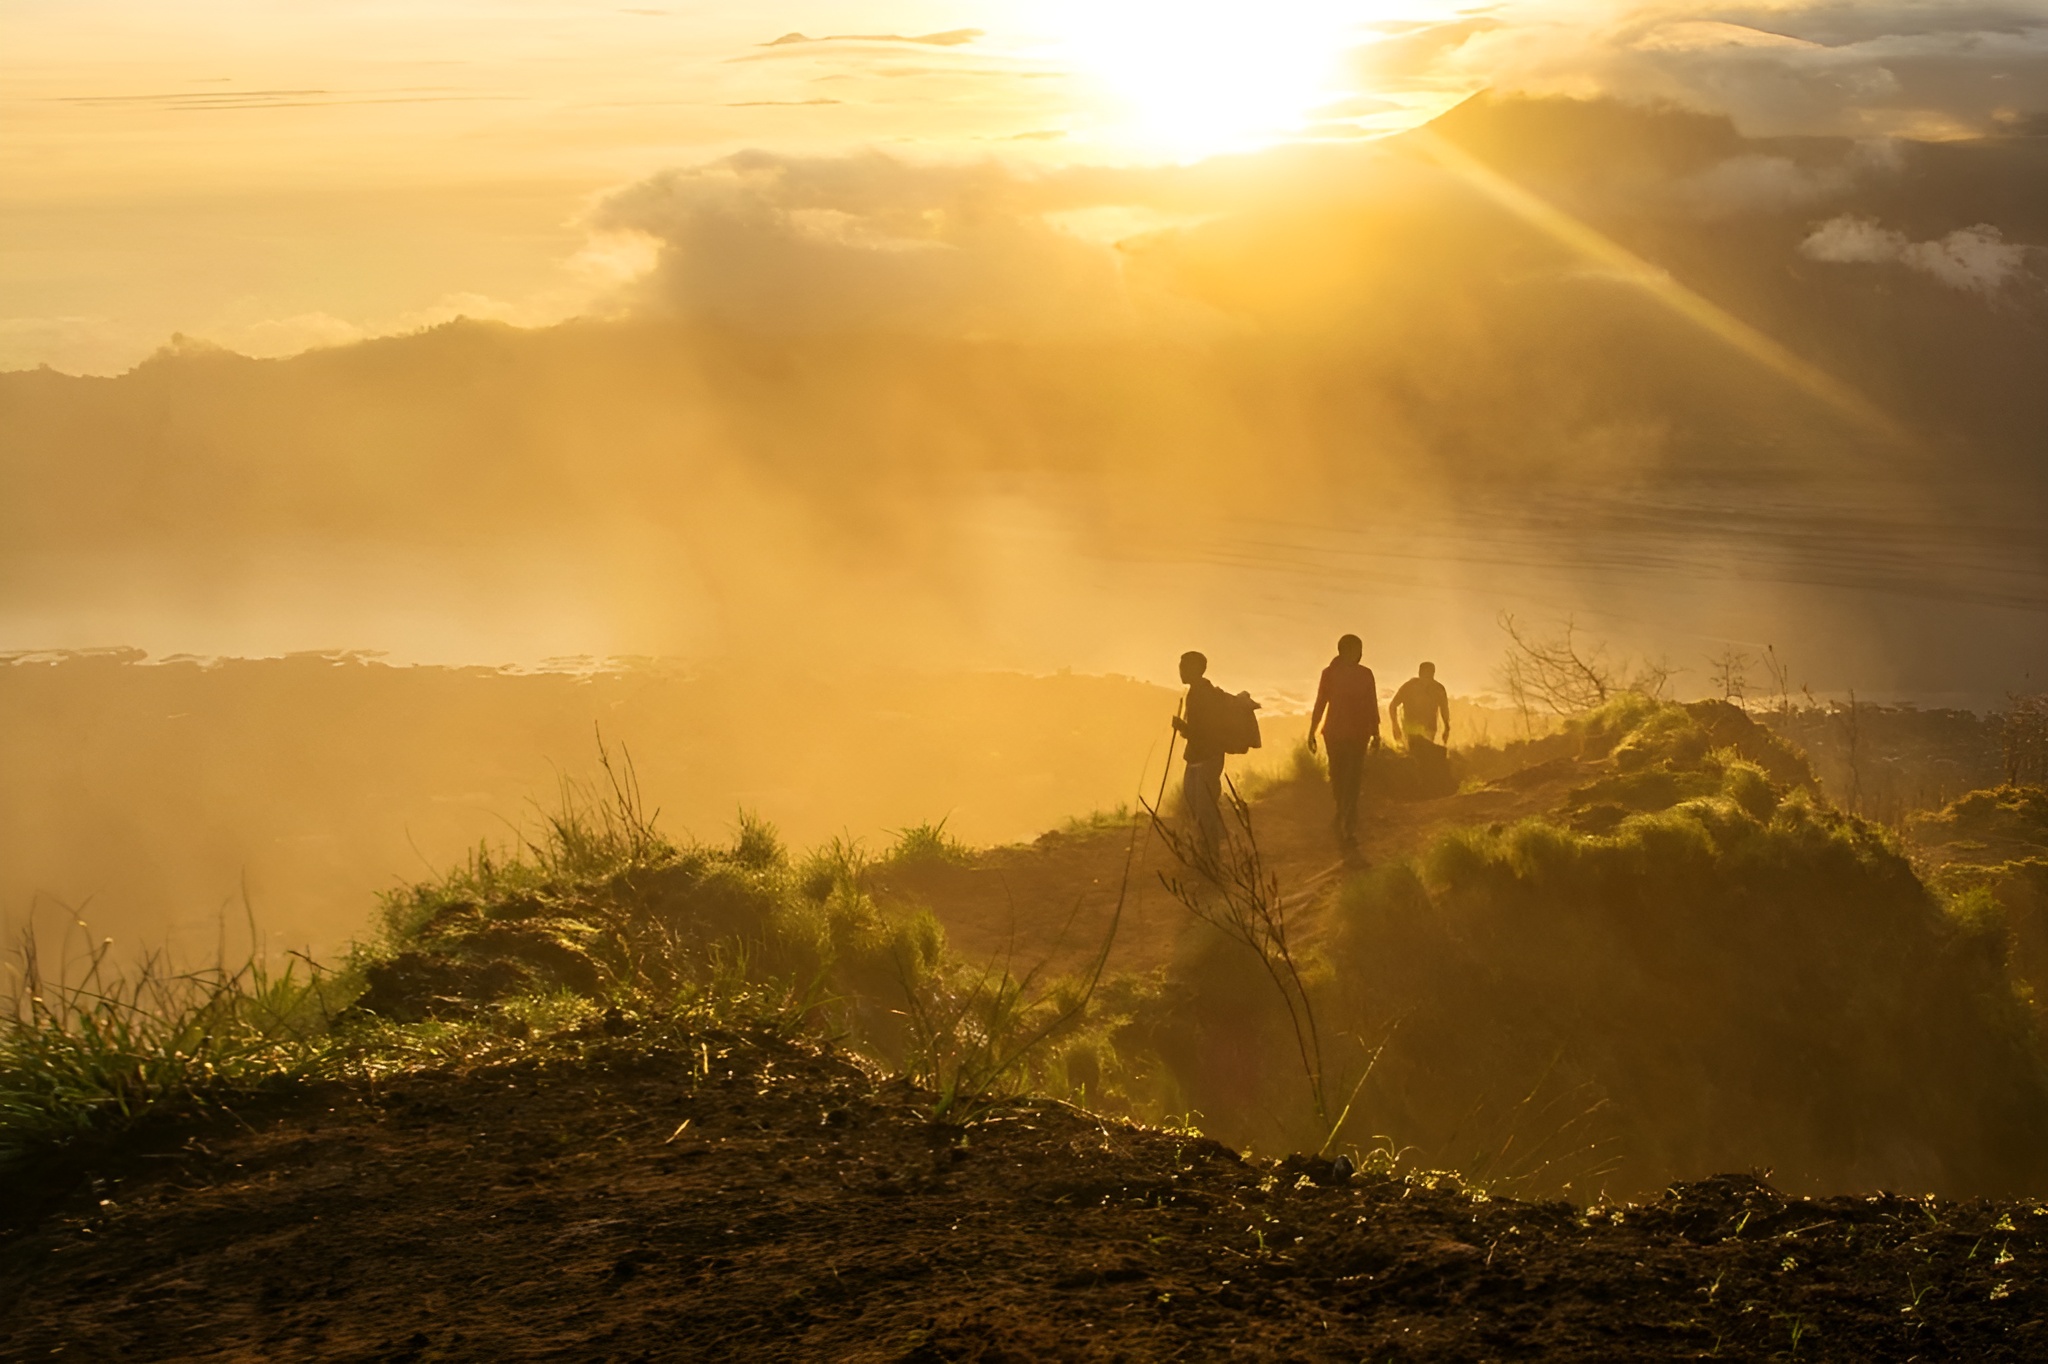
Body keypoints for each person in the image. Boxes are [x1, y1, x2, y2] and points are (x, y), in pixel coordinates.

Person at [1306, 634, 1380, 852]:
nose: (1361, 654)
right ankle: (1346, 820)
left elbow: (1320, 703)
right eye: (1359, 649)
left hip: (1339, 734)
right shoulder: (1361, 674)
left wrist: (1312, 731)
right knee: (1350, 780)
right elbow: (1371, 705)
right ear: (1347, 650)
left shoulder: (1330, 673)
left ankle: (1344, 819)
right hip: (1352, 734)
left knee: (1340, 777)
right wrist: (1376, 733)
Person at [1170, 650, 1229, 860]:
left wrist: (1182, 727)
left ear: (1195, 669)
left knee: (1203, 806)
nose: (1180, 670)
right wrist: (1184, 728)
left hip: (1206, 757)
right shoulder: (1197, 693)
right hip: (1199, 757)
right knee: (1197, 803)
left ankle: (1211, 851)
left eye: (1183, 666)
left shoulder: (1201, 695)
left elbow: (1201, 731)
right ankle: (1210, 846)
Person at [1390, 661, 1452, 757]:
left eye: (1430, 675)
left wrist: (1447, 728)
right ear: (1419, 673)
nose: (1427, 678)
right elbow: (1393, 705)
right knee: (1414, 755)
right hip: (1411, 728)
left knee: (1424, 756)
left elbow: (1444, 709)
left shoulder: (1438, 688)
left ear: (1433, 674)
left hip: (1429, 729)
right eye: (1425, 674)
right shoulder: (1409, 686)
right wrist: (1395, 725)